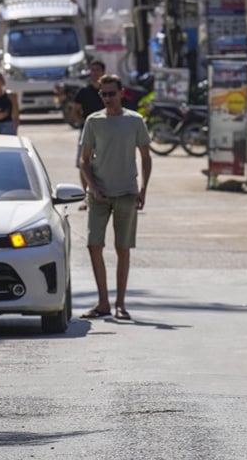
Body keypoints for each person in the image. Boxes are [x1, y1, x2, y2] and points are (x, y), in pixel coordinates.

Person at [79, 74, 152, 321]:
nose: (108, 98)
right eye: (104, 94)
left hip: (126, 193)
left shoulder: (135, 121)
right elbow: (84, 161)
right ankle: (103, 303)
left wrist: (143, 189)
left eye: (112, 93)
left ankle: (120, 304)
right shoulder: (93, 122)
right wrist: (92, 187)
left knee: (123, 248)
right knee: (94, 245)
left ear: (122, 93)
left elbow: (146, 156)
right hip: (99, 195)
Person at [73, 60, 107, 210]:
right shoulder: (83, 92)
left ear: (103, 72)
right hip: (87, 132)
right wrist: (84, 123)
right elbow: (75, 112)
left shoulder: (108, 92)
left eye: (98, 70)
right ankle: (87, 196)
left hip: (106, 132)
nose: (95, 73)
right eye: (92, 70)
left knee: (105, 163)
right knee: (83, 163)